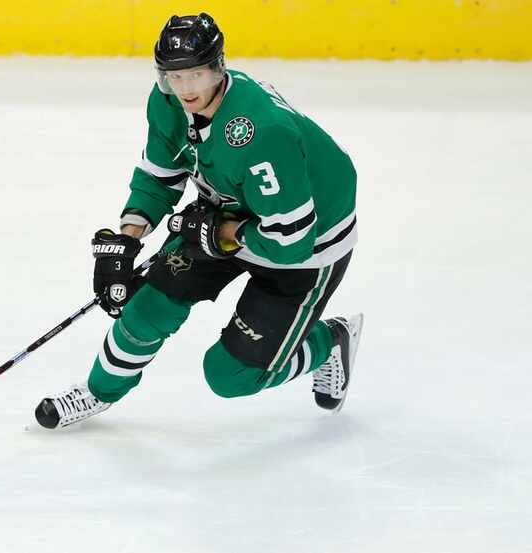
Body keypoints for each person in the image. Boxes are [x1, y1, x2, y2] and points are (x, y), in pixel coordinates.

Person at [35, 13, 363, 429]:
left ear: (218, 67)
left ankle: (329, 341)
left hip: (306, 245)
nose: (185, 88)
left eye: (196, 74)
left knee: (231, 377)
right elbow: (159, 177)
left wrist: (223, 233)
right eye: (174, 76)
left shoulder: (263, 132)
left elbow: (291, 240)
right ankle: (99, 391)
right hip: (230, 214)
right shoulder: (167, 101)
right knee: (146, 309)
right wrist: (127, 240)